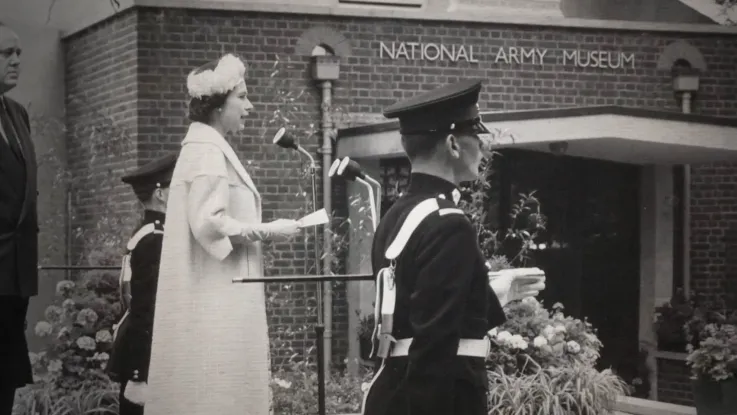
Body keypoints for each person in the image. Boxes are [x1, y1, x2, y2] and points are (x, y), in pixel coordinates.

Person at [362, 79, 547, 415]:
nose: (483, 147)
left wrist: (494, 292)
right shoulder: (449, 223)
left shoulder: (395, 216)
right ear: (452, 143)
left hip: (394, 390)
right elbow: (435, 342)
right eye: (476, 136)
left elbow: (417, 306)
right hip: (439, 400)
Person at [143, 53, 300, 414]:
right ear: (217, 105)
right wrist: (268, 231)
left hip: (217, 294)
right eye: (242, 97)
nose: (250, 105)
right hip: (215, 299)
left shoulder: (206, 148)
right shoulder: (207, 152)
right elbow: (208, 223)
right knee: (217, 392)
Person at [106, 153, 178, 415]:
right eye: (175, 186)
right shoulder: (154, 239)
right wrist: (139, 372)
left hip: (143, 345)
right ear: (160, 194)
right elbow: (144, 308)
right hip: (145, 351)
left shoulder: (148, 232)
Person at [0, 21, 38, 415]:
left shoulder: (17, 114)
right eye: (6, 54)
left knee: (6, 375)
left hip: (14, 275)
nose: (16, 61)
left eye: (19, 53)